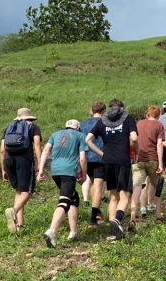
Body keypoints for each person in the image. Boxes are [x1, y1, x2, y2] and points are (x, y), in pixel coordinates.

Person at [86, 99, 138, 241]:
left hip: (107, 161)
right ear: (121, 108)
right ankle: (117, 220)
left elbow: (88, 140)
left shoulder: (103, 120)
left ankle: (113, 232)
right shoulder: (127, 118)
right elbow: (133, 137)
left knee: (113, 196)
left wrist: (101, 154)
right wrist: (137, 152)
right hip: (122, 160)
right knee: (124, 195)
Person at [36, 120, 88, 248]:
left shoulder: (55, 134)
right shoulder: (80, 136)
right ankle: (52, 231)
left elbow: (46, 150)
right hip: (68, 171)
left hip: (55, 171)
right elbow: (82, 158)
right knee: (64, 202)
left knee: (73, 198)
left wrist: (41, 170)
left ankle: (73, 231)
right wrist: (84, 176)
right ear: (77, 128)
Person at [1, 107, 42, 233]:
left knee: (19, 190)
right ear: (29, 117)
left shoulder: (9, 127)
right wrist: (39, 164)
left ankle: (20, 224)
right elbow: (36, 144)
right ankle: (13, 210)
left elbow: (2, 150)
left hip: (8, 160)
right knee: (27, 191)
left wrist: (3, 169)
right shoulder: (33, 127)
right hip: (24, 160)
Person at [130, 106, 165, 229]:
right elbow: (159, 144)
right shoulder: (159, 125)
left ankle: (133, 218)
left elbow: (132, 139)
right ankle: (158, 215)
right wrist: (160, 163)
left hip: (138, 159)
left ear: (147, 114)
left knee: (137, 188)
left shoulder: (139, 123)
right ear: (158, 116)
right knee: (157, 186)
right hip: (152, 158)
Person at [80, 101, 107, 229]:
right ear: (103, 111)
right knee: (97, 187)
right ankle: (93, 219)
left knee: (94, 185)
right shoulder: (105, 123)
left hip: (85, 158)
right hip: (99, 158)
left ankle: (97, 212)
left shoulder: (83, 124)